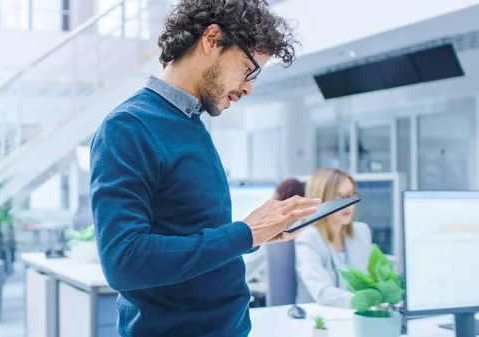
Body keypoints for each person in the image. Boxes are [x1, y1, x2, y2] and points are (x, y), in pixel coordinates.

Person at [89, 0, 321, 335]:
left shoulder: (191, 123)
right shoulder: (128, 127)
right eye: (248, 68)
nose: (248, 88)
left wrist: (260, 233)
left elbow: (194, 233)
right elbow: (125, 261)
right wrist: (246, 232)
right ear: (212, 40)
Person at [295, 168, 373, 308]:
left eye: (351, 195)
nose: (347, 203)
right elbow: (323, 293)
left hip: (355, 316)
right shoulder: (309, 238)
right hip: (319, 321)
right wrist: (370, 301)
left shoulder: (361, 232)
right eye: (339, 198)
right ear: (321, 201)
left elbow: (370, 281)